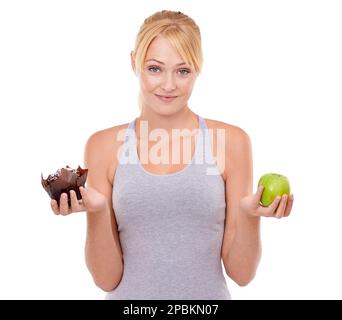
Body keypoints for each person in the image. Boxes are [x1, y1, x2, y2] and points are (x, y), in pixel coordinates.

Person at [50, 10, 294, 300]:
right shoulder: (103, 146)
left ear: (198, 70)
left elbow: (242, 274)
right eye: (155, 68)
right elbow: (106, 279)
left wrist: (250, 215)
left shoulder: (231, 142)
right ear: (134, 63)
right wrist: (98, 210)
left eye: (182, 71)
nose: (168, 85)